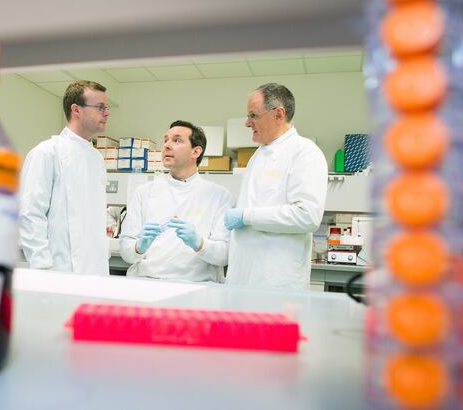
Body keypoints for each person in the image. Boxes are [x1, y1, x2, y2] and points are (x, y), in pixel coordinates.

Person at [225, 83, 327, 289]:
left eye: (253, 115)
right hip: (243, 275)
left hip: (275, 279)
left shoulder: (305, 152)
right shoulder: (258, 154)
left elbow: (307, 216)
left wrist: (246, 216)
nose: (247, 122)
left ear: (278, 114)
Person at [120, 121, 231, 282]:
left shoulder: (219, 196)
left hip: (196, 287)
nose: (167, 145)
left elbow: (224, 255)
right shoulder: (144, 192)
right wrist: (139, 247)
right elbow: (126, 252)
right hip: (147, 283)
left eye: (177, 140)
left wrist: (199, 244)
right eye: (166, 140)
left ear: (196, 152)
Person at [19, 80, 111, 275]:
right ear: (76, 110)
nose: (106, 113)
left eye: (107, 108)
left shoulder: (97, 159)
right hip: (59, 270)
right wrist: (43, 268)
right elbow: (30, 214)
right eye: (100, 107)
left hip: (96, 270)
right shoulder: (46, 152)